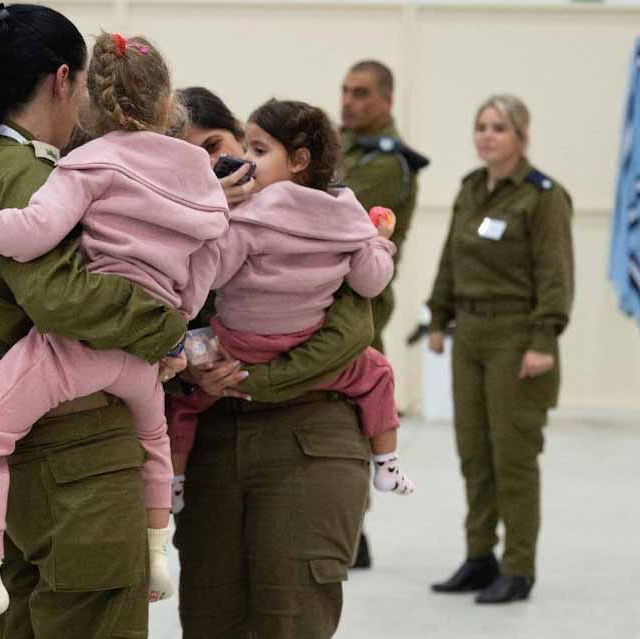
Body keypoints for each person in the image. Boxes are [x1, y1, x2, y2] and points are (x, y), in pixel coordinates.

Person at [0, 31, 228, 631]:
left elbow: (22, 258)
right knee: (100, 606)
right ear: (64, 81)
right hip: (79, 439)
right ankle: (157, 551)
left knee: (32, 611)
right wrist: (169, 329)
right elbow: (65, 297)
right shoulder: (37, 171)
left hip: (38, 418)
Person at [170, 91, 379, 638]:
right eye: (192, 157)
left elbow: (352, 329)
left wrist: (253, 380)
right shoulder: (188, 225)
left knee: (290, 615)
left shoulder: (323, 215)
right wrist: (187, 368)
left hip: (307, 430)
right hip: (213, 440)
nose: (218, 164)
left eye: (217, 145)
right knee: (210, 616)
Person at [165, 99, 415, 499]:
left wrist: (210, 221)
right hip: (303, 339)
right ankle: (386, 464)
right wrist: (380, 243)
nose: (246, 161)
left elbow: (213, 277)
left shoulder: (247, 215)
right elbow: (370, 283)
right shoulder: (347, 216)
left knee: (181, 391)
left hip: (234, 346)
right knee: (379, 373)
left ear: (298, 160)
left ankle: (172, 485)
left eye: (257, 150)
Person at [427, 94, 574, 604]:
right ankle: (479, 557)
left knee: (513, 455)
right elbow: (451, 258)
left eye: (499, 128)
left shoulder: (542, 196)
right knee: (474, 454)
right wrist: (438, 316)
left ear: (521, 137)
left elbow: (555, 274)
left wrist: (544, 339)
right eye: (481, 126)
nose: (487, 136)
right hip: (469, 333)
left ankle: (518, 566)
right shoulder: (472, 188)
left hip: (517, 336)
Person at [340, 59, 427, 567]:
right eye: (346, 91)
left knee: (354, 421)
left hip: (363, 305)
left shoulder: (387, 164)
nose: (349, 101)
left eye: (362, 93)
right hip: (338, 301)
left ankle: (353, 533)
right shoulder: (348, 147)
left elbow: (341, 214)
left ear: (387, 100)